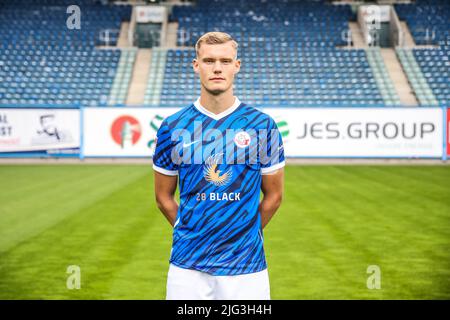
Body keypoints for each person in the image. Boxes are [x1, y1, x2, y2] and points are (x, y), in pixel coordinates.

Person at [153, 31, 285, 300]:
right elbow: (162, 196)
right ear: (196, 65)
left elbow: (274, 196)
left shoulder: (262, 125)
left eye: (225, 61)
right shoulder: (172, 126)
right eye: (209, 60)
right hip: (187, 266)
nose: (217, 68)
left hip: (246, 267)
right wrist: (186, 229)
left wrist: (246, 233)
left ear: (237, 66)